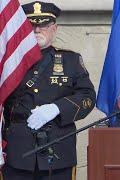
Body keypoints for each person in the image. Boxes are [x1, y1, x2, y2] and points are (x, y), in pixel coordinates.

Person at [2, 1, 96, 179]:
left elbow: (88, 97)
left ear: (54, 28)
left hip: (58, 149)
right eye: (32, 25)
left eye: (44, 25)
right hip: (17, 152)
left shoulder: (71, 60)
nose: (37, 30)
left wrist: (57, 108)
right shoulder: (9, 62)